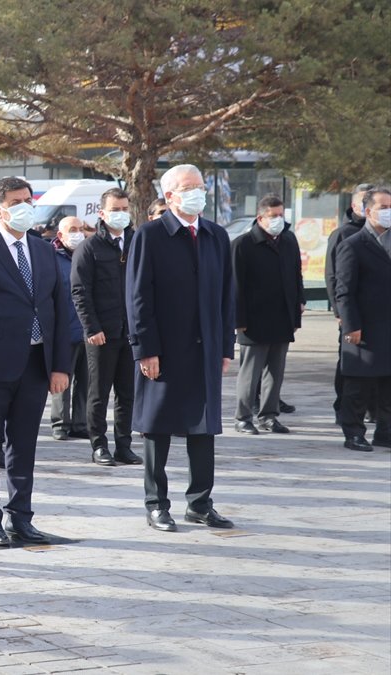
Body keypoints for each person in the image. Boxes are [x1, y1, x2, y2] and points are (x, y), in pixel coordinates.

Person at [0, 177, 71, 545]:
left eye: (28, 200)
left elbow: (58, 309)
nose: (25, 207)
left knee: (23, 445)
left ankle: (21, 515)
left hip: (36, 364)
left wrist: (60, 366)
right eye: (17, 201)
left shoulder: (43, 250)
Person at [126, 164, 235, 533]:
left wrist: (225, 346)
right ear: (170, 195)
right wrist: (145, 349)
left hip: (205, 347)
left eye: (201, 186)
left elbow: (226, 295)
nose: (197, 193)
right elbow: (138, 297)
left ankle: (201, 503)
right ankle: (156, 503)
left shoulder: (216, 236)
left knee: (204, 428)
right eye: (189, 187)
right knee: (157, 428)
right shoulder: (150, 235)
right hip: (164, 349)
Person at [71, 188, 142, 467]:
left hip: (131, 332)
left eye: (125, 208)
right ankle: (99, 445)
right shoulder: (89, 248)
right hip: (101, 333)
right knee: (98, 393)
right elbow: (79, 291)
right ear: (102, 213)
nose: (121, 214)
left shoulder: (137, 242)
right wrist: (91, 327)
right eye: (115, 209)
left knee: (127, 393)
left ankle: (124, 445)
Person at [232, 194, 304, 436]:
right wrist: (238, 320)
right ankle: (243, 417)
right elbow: (235, 286)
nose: (278, 220)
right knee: (250, 373)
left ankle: (269, 415)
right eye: (273, 216)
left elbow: (296, 276)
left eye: (281, 215)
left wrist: (297, 310)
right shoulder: (243, 244)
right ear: (260, 217)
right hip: (253, 320)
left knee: (276, 371)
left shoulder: (288, 241)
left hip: (282, 317)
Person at [333, 186, 391, 451]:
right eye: (384, 208)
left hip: (387, 327)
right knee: (358, 386)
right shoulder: (352, 245)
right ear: (368, 212)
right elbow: (343, 291)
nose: (389, 213)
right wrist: (351, 325)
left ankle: (385, 432)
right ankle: (353, 433)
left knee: (387, 385)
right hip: (363, 328)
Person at [326, 183, 374, 421]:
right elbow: (333, 276)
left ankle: (374, 409)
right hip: (350, 312)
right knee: (350, 362)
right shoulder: (344, 234)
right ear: (355, 205)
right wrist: (340, 312)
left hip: (377, 315)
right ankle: (343, 407)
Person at [48, 216, 90, 442]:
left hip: (88, 330)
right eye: (72, 229)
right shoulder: (52, 257)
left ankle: (80, 423)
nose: (78, 233)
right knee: (61, 379)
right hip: (63, 331)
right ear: (60, 235)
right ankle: (60, 423)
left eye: (81, 229)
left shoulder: (88, 255)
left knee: (85, 381)